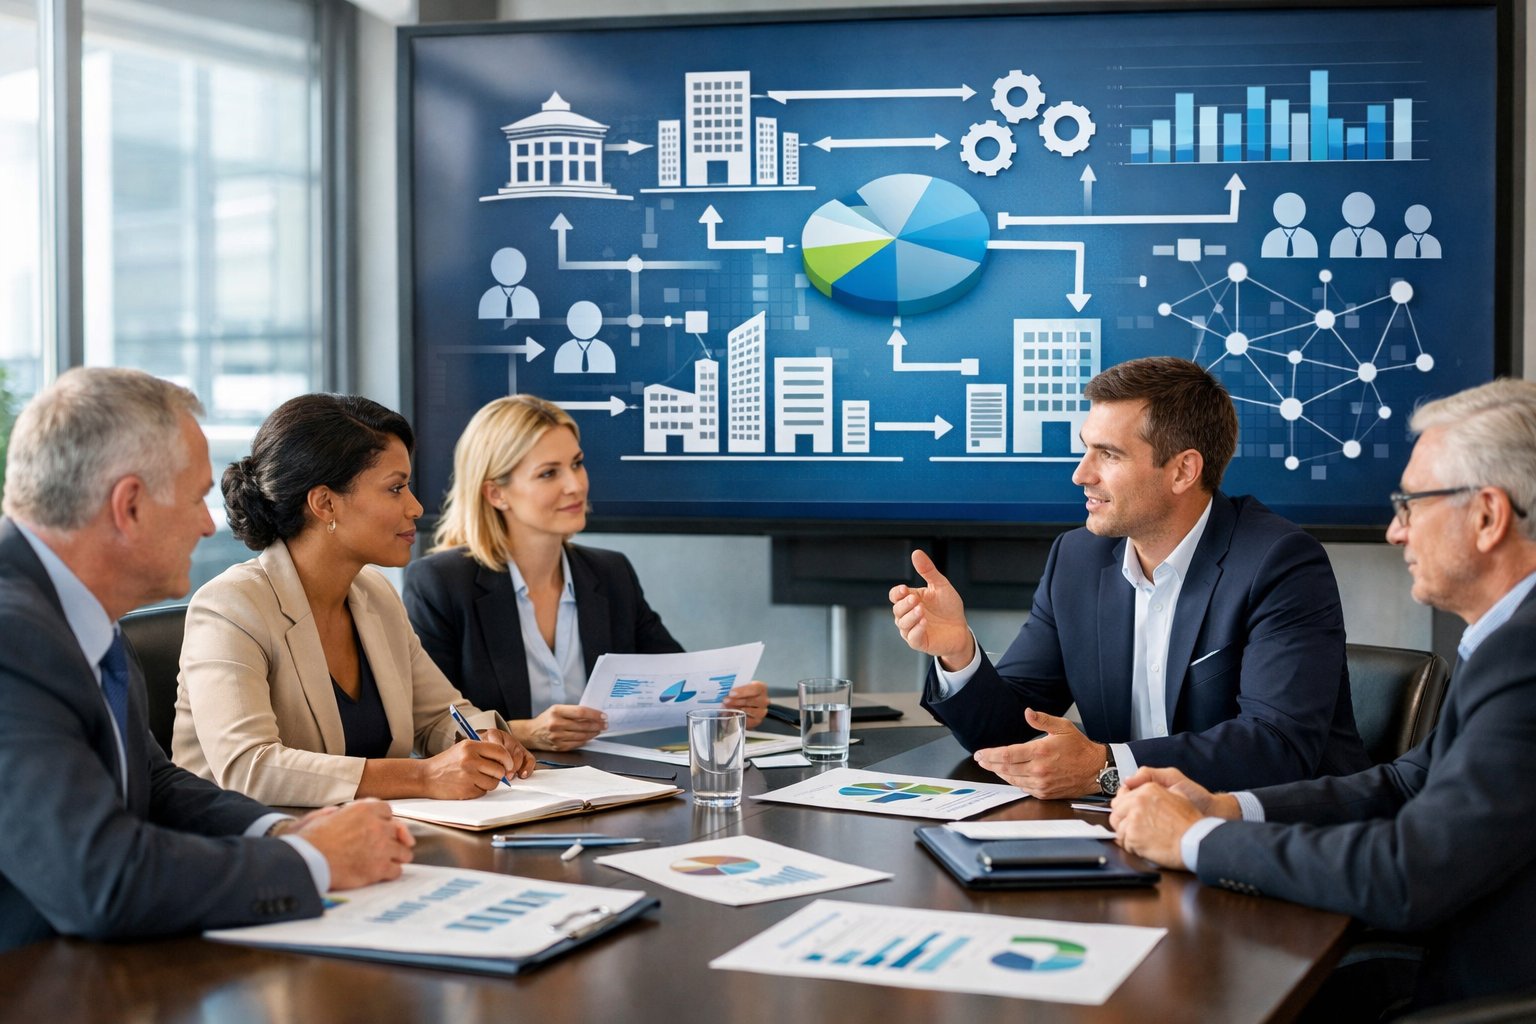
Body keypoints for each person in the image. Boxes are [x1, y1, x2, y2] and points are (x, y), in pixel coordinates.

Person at [1110, 378, 1536, 1013]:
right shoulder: (1504, 638)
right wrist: (1228, 808)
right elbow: (1409, 783)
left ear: (1487, 516)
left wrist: (1196, 840)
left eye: (1411, 505)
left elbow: (1406, 873)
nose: (1395, 532)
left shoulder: (1523, 654)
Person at [0, 368, 413, 950]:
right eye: (196, 497)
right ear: (130, 505)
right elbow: (102, 879)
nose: (206, 523)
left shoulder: (76, 614)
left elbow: (154, 782)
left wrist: (284, 830)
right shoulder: (13, 638)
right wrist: (309, 862)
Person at [890, 356, 1368, 798]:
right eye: (1086, 449)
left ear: (1183, 471)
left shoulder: (1279, 561)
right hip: (1129, 830)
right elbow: (1012, 733)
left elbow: (1277, 746)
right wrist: (959, 654)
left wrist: (1105, 766)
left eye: (1109, 455)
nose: (1081, 474)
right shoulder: (1077, 559)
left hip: (1275, 835)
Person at [172, 394, 536, 808]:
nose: (416, 507)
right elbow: (249, 767)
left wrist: (484, 739)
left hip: (369, 832)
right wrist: (424, 775)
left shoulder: (375, 595)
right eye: (395, 488)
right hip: (243, 839)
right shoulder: (230, 607)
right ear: (325, 503)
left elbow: (439, 715)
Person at [403, 394, 767, 751]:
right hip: (505, 784)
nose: (575, 485)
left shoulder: (611, 573)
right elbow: (432, 728)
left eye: (576, 464)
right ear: (496, 493)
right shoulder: (440, 584)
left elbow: (675, 687)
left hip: (613, 779)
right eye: (549, 473)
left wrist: (726, 705)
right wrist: (524, 733)